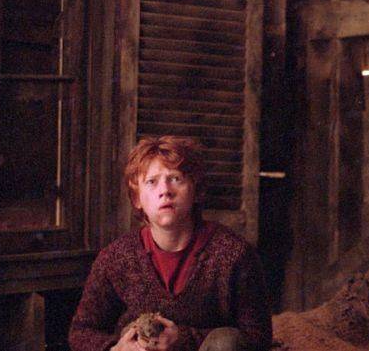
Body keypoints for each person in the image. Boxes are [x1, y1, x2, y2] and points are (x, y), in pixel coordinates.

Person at [69, 136, 271, 351]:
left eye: (175, 178)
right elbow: (81, 332)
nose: (165, 190)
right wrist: (115, 349)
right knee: (130, 329)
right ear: (137, 199)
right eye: (151, 181)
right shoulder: (116, 257)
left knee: (226, 341)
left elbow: (258, 336)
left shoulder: (234, 253)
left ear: (196, 191)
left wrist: (183, 339)